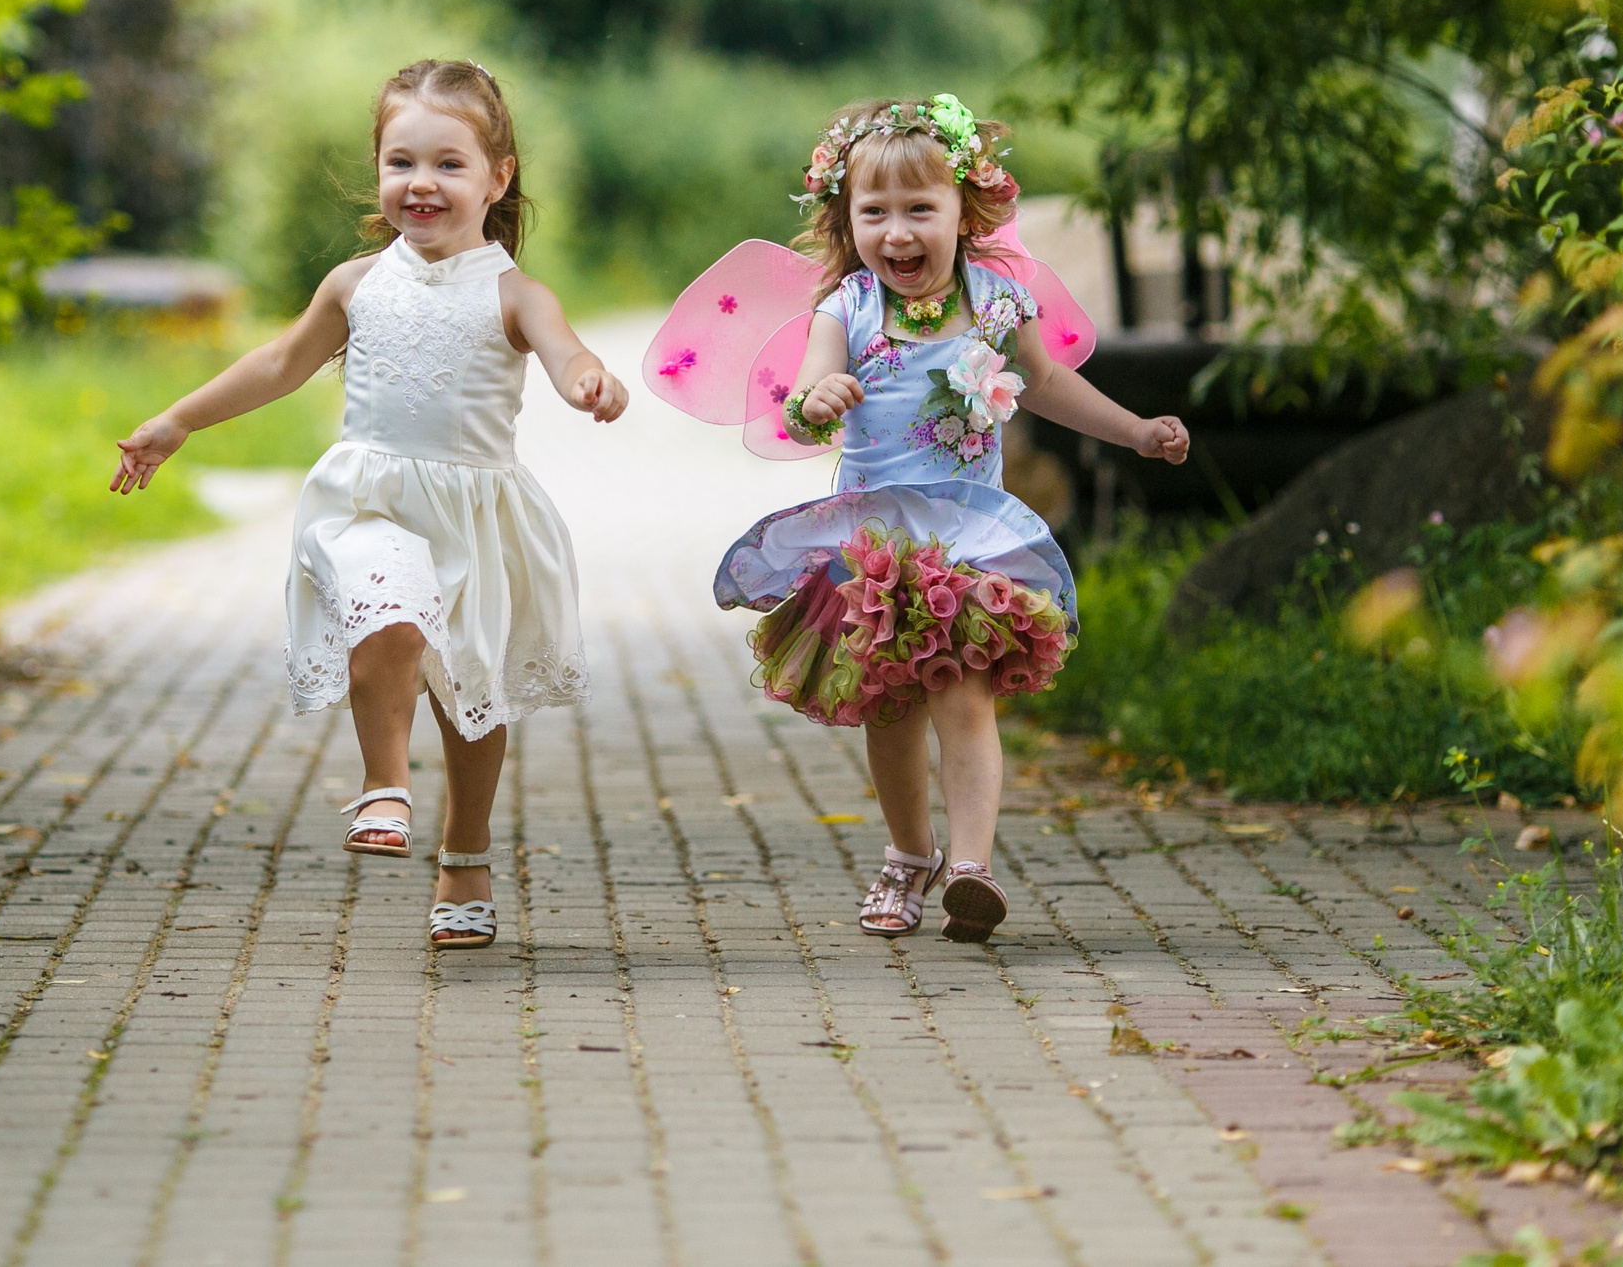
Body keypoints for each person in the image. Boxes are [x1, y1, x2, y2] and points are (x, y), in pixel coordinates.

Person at [111, 60, 626, 950]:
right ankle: (385, 784)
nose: (420, 183)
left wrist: (589, 378)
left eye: (448, 164)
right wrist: (178, 420)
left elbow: (563, 348)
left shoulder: (513, 291)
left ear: (498, 177)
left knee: (473, 693)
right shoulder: (355, 283)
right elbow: (277, 363)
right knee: (383, 616)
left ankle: (464, 853)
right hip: (370, 502)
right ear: (380, 168)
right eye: (401, 161)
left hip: (474, 515)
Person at [707, 95, 1187, 942]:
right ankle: (908, 853)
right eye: (874, 212)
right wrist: (821, 396)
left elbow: (1049, 383)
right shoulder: (847, 308)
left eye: (919, 209)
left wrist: (1136, 430)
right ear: (845, 218)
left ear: (965, 212)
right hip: (877, 549)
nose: (898, 232)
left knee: (965, 695)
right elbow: (805, 404)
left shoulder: (999, 300)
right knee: (889, 710)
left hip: (972, 540)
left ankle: (972, 864)